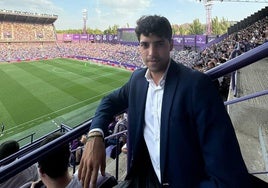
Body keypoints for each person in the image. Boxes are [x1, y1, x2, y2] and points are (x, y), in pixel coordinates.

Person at [78, 15, 252, 188]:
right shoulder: (137, 80)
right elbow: (108, 102)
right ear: (139, 46)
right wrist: (95, 134)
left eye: (159, 43)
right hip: (144, 178)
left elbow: (227, 171)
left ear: (171, 44)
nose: (151, 53)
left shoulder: (196, 86)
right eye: (145, 45)